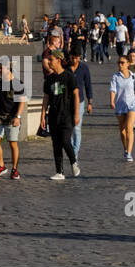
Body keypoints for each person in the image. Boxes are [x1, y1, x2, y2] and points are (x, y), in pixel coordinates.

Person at [42, 51, 80, 179]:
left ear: (58, 60)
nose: (48, 62)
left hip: (67, 115)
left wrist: (76, 114)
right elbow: (46, 98)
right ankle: (60, 172)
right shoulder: (49, 78)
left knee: (65, 140)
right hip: (53, 115)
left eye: (51, 59)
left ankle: (73, 162)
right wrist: (43, 116)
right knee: (56, 144)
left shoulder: (69, 76)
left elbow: (76, 94)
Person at [109, 54, 135, 162]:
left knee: (129, 128)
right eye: (119, 63)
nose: (120, 65)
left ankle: (129, 153)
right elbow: (113, 90)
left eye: (122, 63)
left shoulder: (134, 76)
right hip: (120, 105)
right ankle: (125, 149)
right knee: (122, 131)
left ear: (128, 64)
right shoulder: (115, 76)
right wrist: (112, 101)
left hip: (132, 104)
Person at [66, 49, 93, 164]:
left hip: (80, 102)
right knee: (68, 129)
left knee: (76, 129)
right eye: (72, 57)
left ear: (80, 57)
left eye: (77, 58)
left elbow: (88, 85)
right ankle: (72, 151)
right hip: (66, 102)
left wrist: (90, 102)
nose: (74, 60)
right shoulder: (65, 68)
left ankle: (74, 154)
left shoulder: (84, 68)